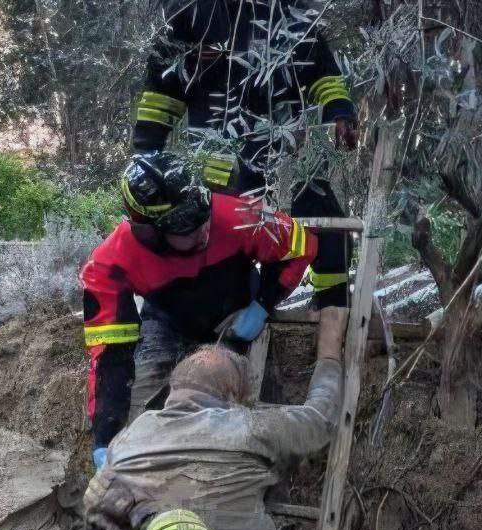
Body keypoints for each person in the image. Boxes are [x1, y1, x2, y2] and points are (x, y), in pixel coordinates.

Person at [84, 306, 345, 530]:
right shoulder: (249, 428)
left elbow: (95, 520)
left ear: (174, 388)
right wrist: (330, 351)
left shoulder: (130, 435)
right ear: (232, 396)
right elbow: (321, 418)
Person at [81, 151, 316, 464]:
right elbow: (110, 357)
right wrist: (104, 439)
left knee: (224, 412)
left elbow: (303, 246)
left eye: (203, 217)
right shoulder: (109, 265)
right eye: (186, 227)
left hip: (235, 312)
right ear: (150, 229)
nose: (203, 231)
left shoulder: (238, 214)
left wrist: (262, 307)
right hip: (167, 321)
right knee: (137, 419)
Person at [131, 0, 359, 310]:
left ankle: (334, 311)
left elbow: (323, 74)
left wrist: (342, 112)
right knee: (221, 247)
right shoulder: (188, 15)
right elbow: (162, 94)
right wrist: (146, 150)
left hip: (291, 164)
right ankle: (219, 320)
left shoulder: (292, 14)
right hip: (221, 171)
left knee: (330, 233)